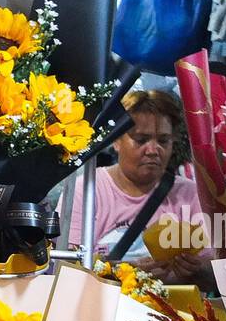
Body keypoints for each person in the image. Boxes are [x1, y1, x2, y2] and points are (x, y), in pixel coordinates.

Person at [67, 89, 205, 282]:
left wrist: (196, 270)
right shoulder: (87, 190)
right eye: (141, 140)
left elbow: (219, 270)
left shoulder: (190, 195)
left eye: (163, 141)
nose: (153, 150)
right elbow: (66, 267)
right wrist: (122, 273)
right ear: (116, 140)